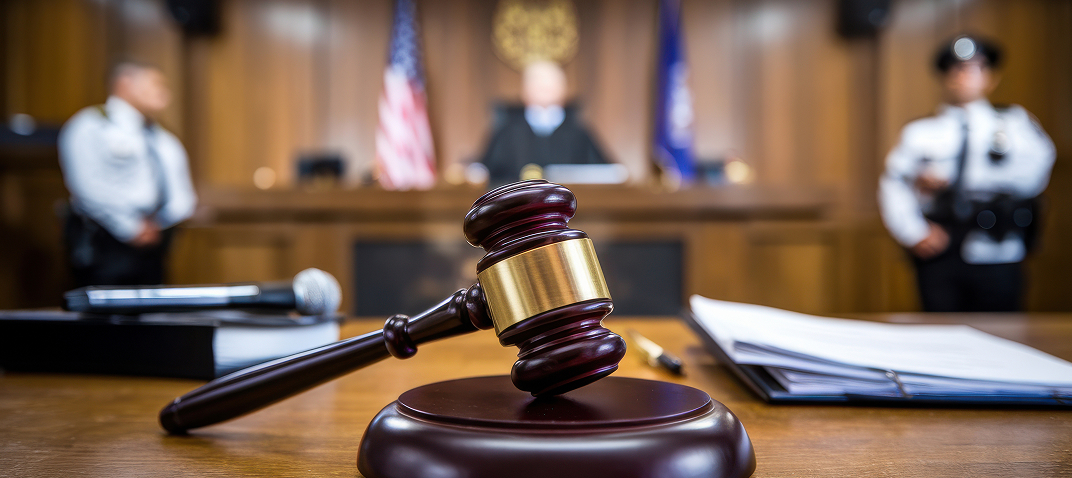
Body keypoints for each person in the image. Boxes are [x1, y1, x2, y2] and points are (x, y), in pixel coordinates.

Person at [878, 36, 1055, 312]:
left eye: (976, 69)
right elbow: (894, 183)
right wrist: (913, 232)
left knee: (1002, 325)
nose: (965, 77)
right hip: (941, 246)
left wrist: (959, 179)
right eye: (957, 69)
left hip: (997, 245)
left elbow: (1035, 173)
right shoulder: (920, 132)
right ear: (945, 77)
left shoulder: (1014, 123)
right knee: (940, 325)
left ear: (991, 77)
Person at [59, 61, 197, 287]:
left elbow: (179, 188)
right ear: (125, 84)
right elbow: (86, 184)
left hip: (156, 243)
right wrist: (130, 227)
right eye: (155, 84)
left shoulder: (160, 136)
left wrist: (166, 222)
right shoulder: (91, 126)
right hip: (107, 245)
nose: (164, 93)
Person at [480, 60, 609, 185]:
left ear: (564, 90)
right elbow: (486, 174)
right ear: (524, 91)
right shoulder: (507, 132)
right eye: (538, 86)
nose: (545, 90)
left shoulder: (578, 133)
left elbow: (604, 173)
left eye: (550, 86)